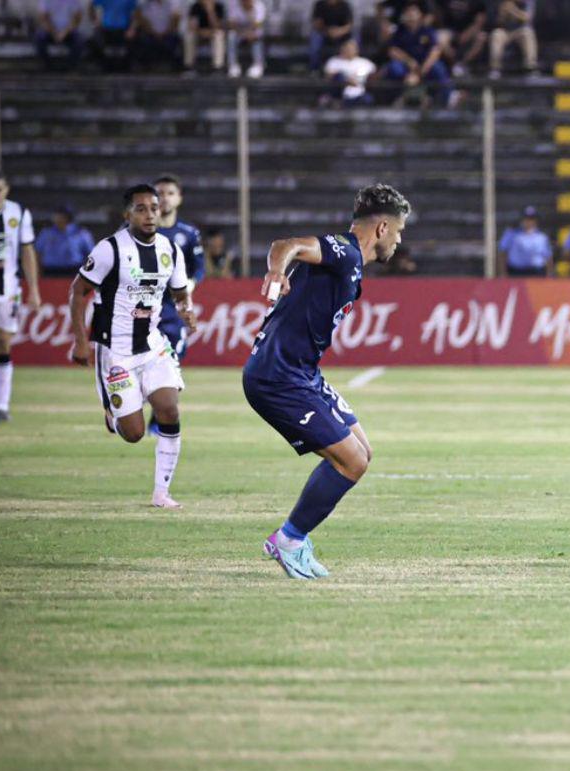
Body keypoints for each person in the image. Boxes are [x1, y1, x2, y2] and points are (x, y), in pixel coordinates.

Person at [243, 183, 410, 579]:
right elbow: (288, 244)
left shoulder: (350, 265)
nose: (400, 242)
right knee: (350, 461)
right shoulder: (345, 250)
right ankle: (289, 540)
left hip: (302, 373)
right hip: (277, 377)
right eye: (400, 233)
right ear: (383, 228)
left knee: (362, 453)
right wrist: (274, 272)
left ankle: (294, 538)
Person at [68, 184, 195, 509]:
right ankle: (115, 417)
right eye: (141, 208)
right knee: (135, 433)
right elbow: (79, 291)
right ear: (128, 215)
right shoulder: (110, 249)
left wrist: (186, 312)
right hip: (115, 351)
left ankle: (161, 494)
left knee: (168, 408)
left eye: (153, 207)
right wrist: (81, 341)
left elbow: (180, 292)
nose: (150, 214)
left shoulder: (170, 249)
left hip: (152, 345)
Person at [0, 171, 42, 423]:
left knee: (3, 344)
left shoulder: (18, 214)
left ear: (6, 189)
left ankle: (3, 406)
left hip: (9, 288)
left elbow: (27, 251)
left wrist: (34, 289)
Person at [154, 175, 204, 364]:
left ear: (179, 198)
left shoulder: (189, 233)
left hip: (173, 306)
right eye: (159, 193)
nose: (165, 198)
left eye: (170, 193)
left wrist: (189, 285)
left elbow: (199, 267)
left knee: (172, 363)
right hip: (141, 303)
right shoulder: (135, 230)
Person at [385, 2, 453, 107]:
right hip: (407, 67)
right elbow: (392, 51)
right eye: (408, 11)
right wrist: (409, 62)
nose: (410, 14)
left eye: (413, 11)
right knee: (393, 68)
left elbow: (435, 51)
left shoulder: (427, 30)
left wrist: (421, 71)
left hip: (425, 67)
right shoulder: (400, 31)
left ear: (420, 14)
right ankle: (398, 99)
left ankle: (442, 102)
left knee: (439, 68)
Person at [34, 205, 95, 275]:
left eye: (61, 216)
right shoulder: (47, 232)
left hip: (73, 270)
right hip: (50, 271)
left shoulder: (81, 233)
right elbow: (37, 253)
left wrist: (87, 273)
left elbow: (91, 254)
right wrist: (38, 272)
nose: (56, 218)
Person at [435, 0, 486, 75]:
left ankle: (462, 64)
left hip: (470, 31)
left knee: (481, 37)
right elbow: (438, 14)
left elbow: (480, 21)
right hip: (450, 30)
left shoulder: (476, 2)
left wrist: (468, 33)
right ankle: (454, 63)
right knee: (440, 36)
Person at [498, 206, 552, 276]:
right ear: (522, 219)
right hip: (516, 272)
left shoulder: (542, 237)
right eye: (526, 218)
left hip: (537, 272)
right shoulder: (511, 234)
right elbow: (502, 253)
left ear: (536, 220)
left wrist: (549, 274)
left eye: (531, 219)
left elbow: (548, 257)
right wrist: (502, 272)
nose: (529, 221)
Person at [488, 0, 537, 78]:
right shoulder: (502, 2)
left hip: (519, 30)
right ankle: (495, 69)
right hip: (505, 31)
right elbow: (497, 22)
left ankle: (530, 68)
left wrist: (513, 10)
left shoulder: (526, 2)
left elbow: (527, 18)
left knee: (527, 33)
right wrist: (502, 14)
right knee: (496, 34)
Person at [322, 39, 377, 107]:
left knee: (368, 99)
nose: (348, 50)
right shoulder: (334, 61)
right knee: (339, 76)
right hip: (339, 93)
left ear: (356, 50)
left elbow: (375, 75)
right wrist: (347, 81)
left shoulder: (365, 63)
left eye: (351, 48)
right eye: (346, 48)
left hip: (359, 93)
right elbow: (328, 76)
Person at [34, 0, 87, 70]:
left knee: (79, 40)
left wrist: (64, 32)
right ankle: (47, 65)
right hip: (50, 31)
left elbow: (77, 19)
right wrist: (54, 33)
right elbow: (44, 18)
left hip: (68, 31)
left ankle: (70, 66)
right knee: (39, 38)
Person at [133, 0, 182, 69]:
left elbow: (174, 21)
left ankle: (174, 65)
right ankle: (144, 64)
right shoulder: (147, 5)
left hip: (166, 34)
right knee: (143, 39)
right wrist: (153, 33)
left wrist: (166, 32)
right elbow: (144, 22)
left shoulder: (169, 5)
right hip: (151, 34)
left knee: (175, 39)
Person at [91, 0, 138, 71]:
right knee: (96, 37)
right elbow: (92, 5)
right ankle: (102, 65)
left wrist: (132, 28)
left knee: (134, 38)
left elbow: (135, 15)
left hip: (123, 29)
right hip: (107, 29)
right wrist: (95, 20)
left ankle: (128, 66)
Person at [309, 0, 354, 73]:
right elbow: (316, 24)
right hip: (324, 32)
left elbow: (349, 25)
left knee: (353, 40)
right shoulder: (320, 4)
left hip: (341, 33)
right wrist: (328, 31)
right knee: (315, 40)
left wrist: (339, 31)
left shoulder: (344, 5)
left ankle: (353, 67)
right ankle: (314, 69)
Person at [227, 0, 266, 77]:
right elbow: (231, 24)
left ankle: (258, 65)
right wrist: (243, 33)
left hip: (253, 31)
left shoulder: (259, 6)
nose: (246, 2)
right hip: (239, 32)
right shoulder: (234, 4)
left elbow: (258, 24)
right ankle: (233, 65)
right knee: (231, 36)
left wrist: (249, 11)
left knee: (257, 36)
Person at [184, 0, 225, 72]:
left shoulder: (219, 6)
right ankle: (189, 67)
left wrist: (210, 11)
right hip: (199, 33)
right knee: (189, 36)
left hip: (212, 33)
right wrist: (200, 32)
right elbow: (191, 26)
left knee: (219, 35)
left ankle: (218, 67)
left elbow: (218, 27)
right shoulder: (195, 6)